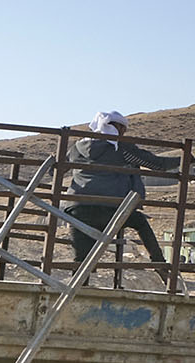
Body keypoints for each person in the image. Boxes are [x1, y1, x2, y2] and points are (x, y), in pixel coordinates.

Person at [65, 110, 181, 267]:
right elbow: (155, 164)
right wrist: (186, 159)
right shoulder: (121, 148)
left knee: (82, 260)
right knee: (140, 222)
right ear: (117, 128)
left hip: (77, 209)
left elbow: (56, 168)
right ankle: (158, 262)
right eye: (123, 129)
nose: (124, 133)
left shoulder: (77, 147)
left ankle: (79, 288)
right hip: (111, 209)